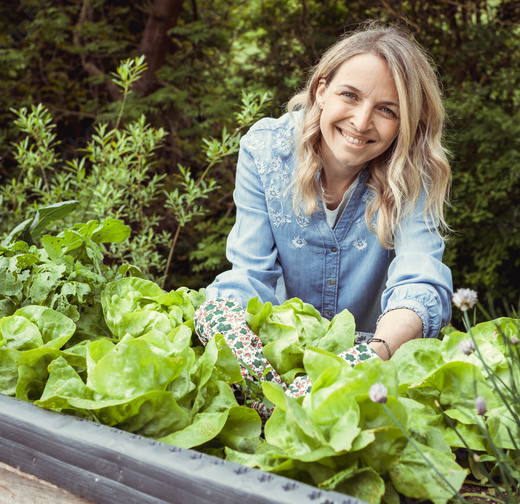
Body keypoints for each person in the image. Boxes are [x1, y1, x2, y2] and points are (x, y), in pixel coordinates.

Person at [194, 23, 453, 412]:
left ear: (406, 123)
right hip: (281, 355)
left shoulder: (416, 170)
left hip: (373, 365)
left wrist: (369, 356)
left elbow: (420, 280)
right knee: (217, 311)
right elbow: (250, 274)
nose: (361, 122)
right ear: (321, 90)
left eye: (387, 110)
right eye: (350, 95)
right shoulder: (266, 150)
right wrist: (233, 333)